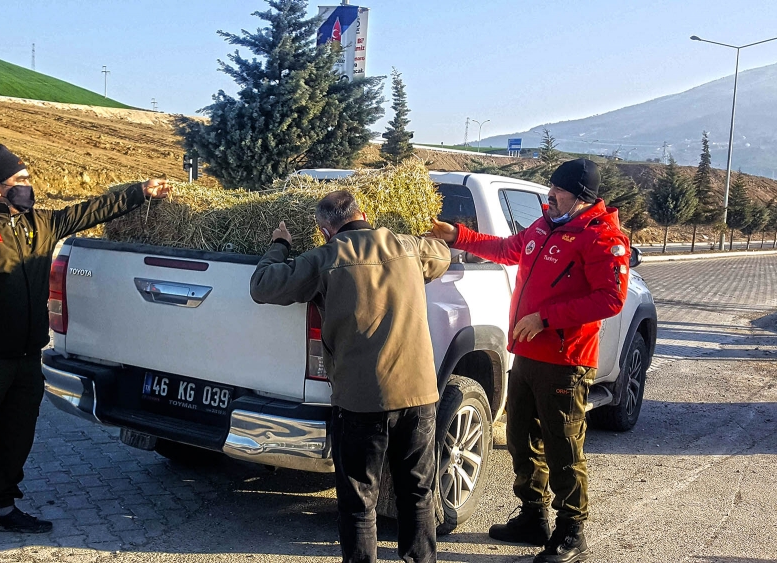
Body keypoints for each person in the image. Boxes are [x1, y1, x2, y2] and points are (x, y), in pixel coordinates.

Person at [0, 144, 171, 558]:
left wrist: (139, 192)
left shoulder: (39, 224)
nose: (28, 186)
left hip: (25, 358)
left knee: (16, 437)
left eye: (26, 178)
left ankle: (2, 509)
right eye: (19, 181)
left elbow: (90, 211)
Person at [430, 159, 629, 563]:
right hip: (526, 355)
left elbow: (611, 298)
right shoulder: (545, 225)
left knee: (563, 445)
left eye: (558, 189)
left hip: (565, 359)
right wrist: (458, 235)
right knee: (522, 438)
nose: (550, 194)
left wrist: (545, 318)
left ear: (582, 196)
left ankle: (573, 531)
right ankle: (532, 516)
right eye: (551, 187)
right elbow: (507, 250)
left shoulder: (601, 237)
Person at [250, 190, 451, 563]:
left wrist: (279, 245)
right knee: (418, 493)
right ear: (363, 212)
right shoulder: (406, 246)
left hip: (362, 401)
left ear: (324, 230)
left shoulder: (325, 258)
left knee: (360, 502)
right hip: (420, 396)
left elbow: (263, 286)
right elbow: (442, 254)